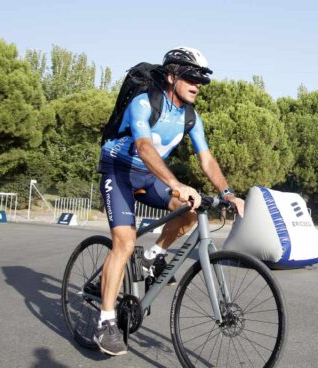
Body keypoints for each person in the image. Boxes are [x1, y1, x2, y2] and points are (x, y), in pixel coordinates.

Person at [94, 47, 245, 356]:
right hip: (119, 171)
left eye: (201, 80)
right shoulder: (144, 103)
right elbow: (145, 148)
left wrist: (228, 193)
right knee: (123, 242)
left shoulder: (190, 117)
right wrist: (176, 184)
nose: (197, 85)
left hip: (149, 177)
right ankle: (105, 321)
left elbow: (207, 159)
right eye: (191, 77)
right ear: (172, 75)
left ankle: (152, 255)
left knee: (192, 211)